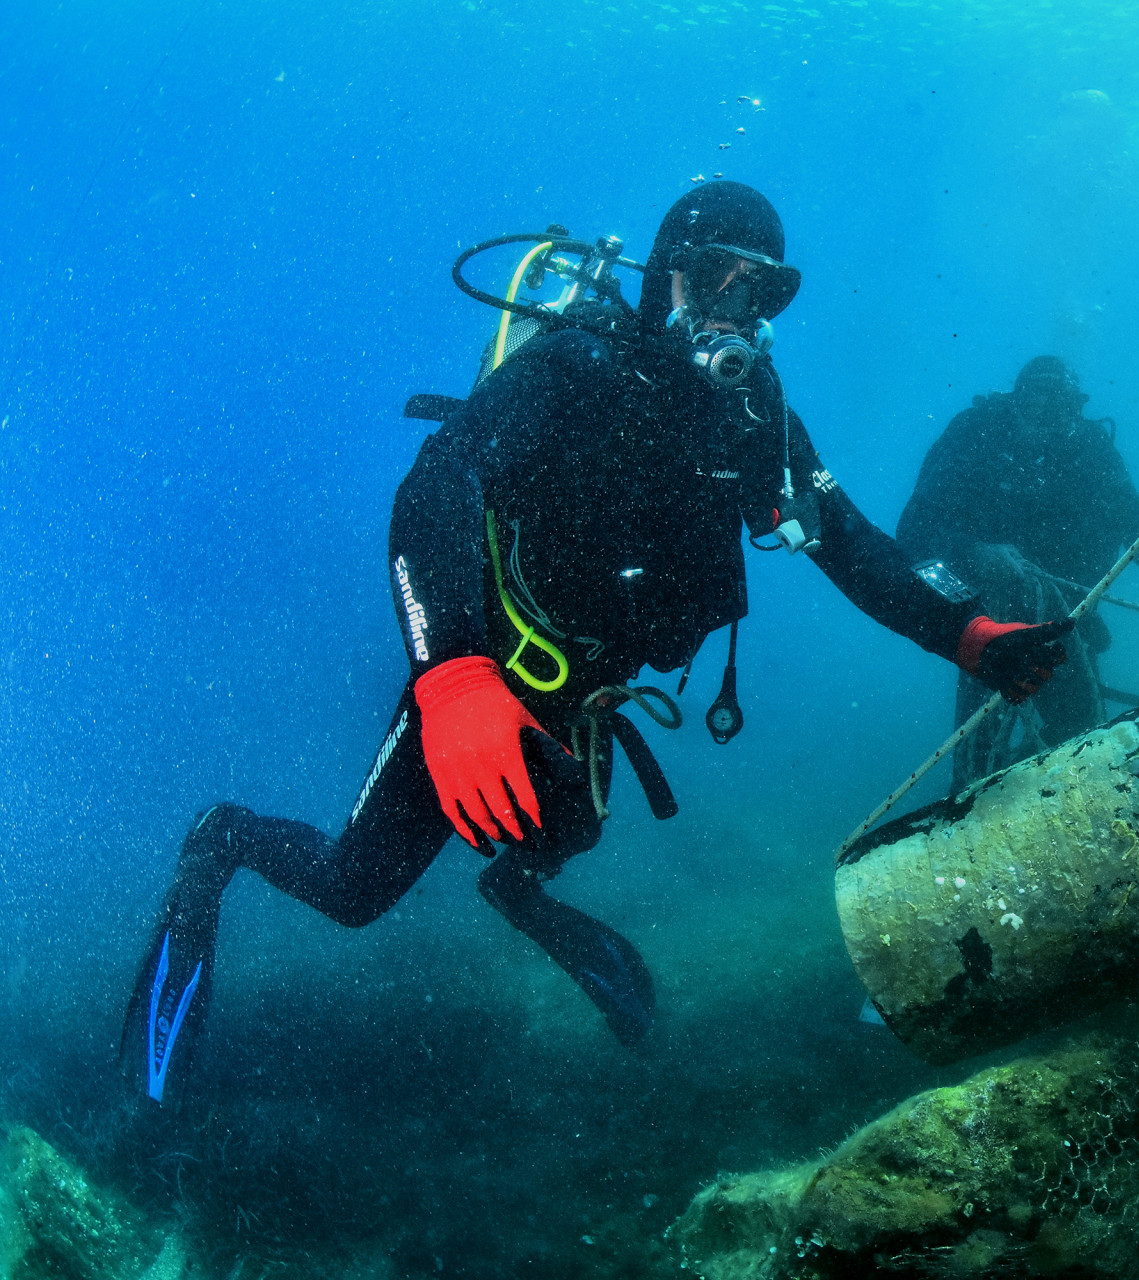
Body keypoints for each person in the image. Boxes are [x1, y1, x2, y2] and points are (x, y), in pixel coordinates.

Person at [122, 181, 1070, 1108]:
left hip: (587, 696)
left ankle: (518, 893)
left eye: (763, 289)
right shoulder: (574, 369)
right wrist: (452, 681)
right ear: (664, 275)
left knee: (562, 833)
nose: (735, 308)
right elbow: (433, 488)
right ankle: (223, 839)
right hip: (490, 670)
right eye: (715, 276)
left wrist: (968, 633)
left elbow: (847, 540)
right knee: (353, 890)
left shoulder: (753, 414)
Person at [896, 356, 1139, 787]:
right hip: (989, 623)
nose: (1045, 419)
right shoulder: (974, 434)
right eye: (1036, 402)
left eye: (1061, 408)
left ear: (1076, 408)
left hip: (1067, 626)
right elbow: (914, 528)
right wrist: (975, 552)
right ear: (1016, 398)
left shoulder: (1092, 452)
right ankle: (975, 799)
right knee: (975, 764)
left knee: (1083, 749)